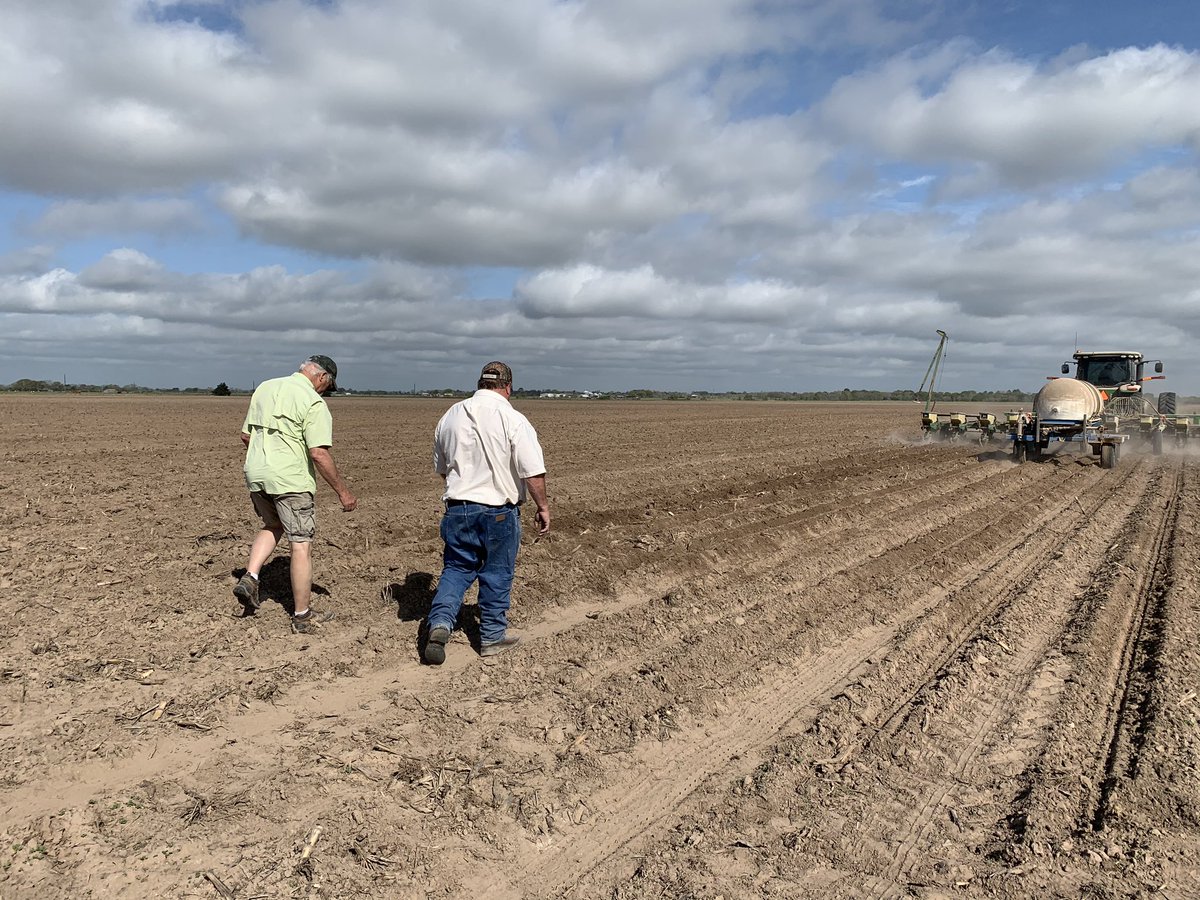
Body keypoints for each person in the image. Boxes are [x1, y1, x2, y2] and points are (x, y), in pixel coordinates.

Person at [423, 361, 550, 664]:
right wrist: (543, 506)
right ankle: (492, 636)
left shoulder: (450, 415)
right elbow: (532, 472)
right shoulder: (513, 419)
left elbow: (443, 469)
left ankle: (440, 623)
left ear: (480, 383)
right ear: (508, 387)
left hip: (458, 508)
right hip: (499, 512)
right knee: (496, 573)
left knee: (456, 569)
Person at [233, 355, 357, 633]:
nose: (325, 392)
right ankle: (302, 616)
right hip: (291, 480)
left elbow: (246, 436)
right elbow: (318, 453)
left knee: (273, 524)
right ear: (322, 377)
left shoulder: (265, 387)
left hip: (257, 474)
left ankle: (251, 576)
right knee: (300, 545)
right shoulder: (313, 402)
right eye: (328, 386)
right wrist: (343, 492)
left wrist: (267, 457)